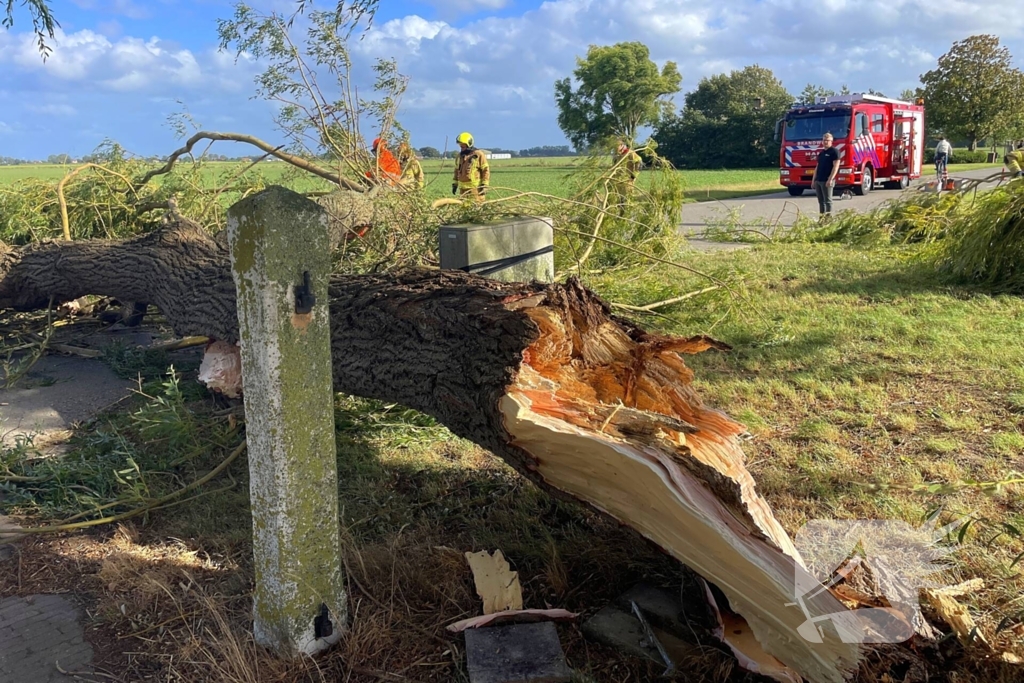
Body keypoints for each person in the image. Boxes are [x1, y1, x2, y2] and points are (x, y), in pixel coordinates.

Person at [452, 131, 490, 201]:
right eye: (460, 145)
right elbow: (456, 171)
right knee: (463, 208)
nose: (461, 147)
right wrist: (455, 184)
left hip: (476, 190)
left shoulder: (478, 154)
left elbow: (485, 170)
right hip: (462, 190)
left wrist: (485, 185)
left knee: (476, 208)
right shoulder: (459, 156)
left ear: (469, 144)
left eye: (463, 145)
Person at [813, 133, 841, 219]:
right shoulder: (821, 153)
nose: (825, 142)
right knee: (821, 202)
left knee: (828, 201)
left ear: (831, 141)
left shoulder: (834, 152)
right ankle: (822, 219)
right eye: (824, 140)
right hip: (819, 180)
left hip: (827, 180)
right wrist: (813, 180)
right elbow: (817, 167)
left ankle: (828, 219)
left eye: (827, 140)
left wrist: (830, 179)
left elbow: (836, 167)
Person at [611, 141, 642, 209]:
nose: (615, 149)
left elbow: (639, 163)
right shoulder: (617, 155)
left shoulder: (630, 153)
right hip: (617, 181)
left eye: (616, 147)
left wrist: (633, 176)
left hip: (627, 181)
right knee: (618, 200)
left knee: (626, 199)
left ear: (622, 145)